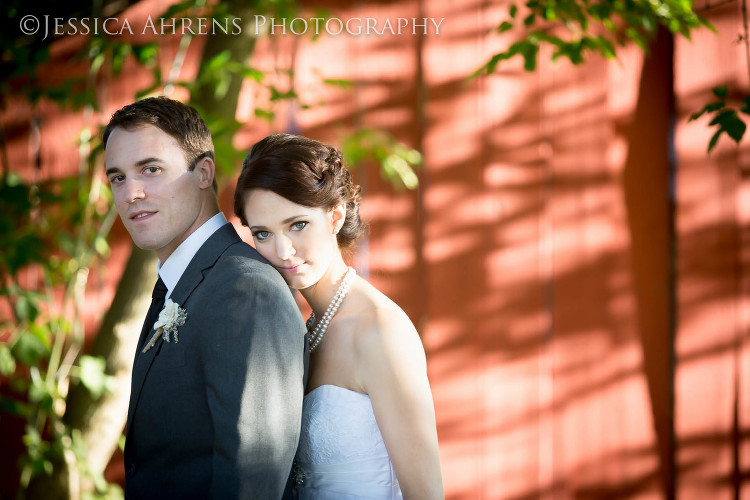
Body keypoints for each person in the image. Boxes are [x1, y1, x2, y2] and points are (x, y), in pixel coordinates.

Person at [103, 97, 307, 499]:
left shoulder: (245, 291)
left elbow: (252, 479)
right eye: (117, 178)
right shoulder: (180, 284)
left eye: (150, 169)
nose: (131, 193)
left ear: (203, 173)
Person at [234, 133, 444, 499]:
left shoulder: (379, 329)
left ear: (335, 216)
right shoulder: (308, 327)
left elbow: (426, 493)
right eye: (263, 233)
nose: (283, 251)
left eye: (297, 224)